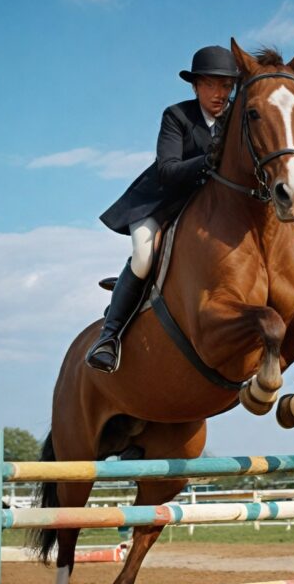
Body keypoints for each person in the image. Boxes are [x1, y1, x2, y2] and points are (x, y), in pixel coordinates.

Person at [86, 45, 239, 373]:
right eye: (210, 84)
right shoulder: (178, 116)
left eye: (226, 86)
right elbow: (168, 169)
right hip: (160, 204)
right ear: (195, 86)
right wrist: (210, 157)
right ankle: (109, 338)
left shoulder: (237, 120)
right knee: (144, 257)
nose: (219, 93)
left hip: (205, 212)